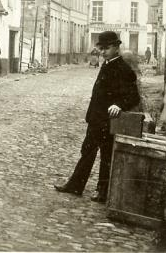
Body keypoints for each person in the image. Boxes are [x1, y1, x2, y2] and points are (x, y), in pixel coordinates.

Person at [53, 30, 140, 203]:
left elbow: (133, 96)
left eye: (106, 48)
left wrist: (119, 105)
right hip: (96, 119)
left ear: (116, 47)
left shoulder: (123, 69)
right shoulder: (107, 64)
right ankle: (75, 185)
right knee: (87, 151)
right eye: (101, 48)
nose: (102, 52)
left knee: (107, 156)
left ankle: (103, 191)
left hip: (109, 121)